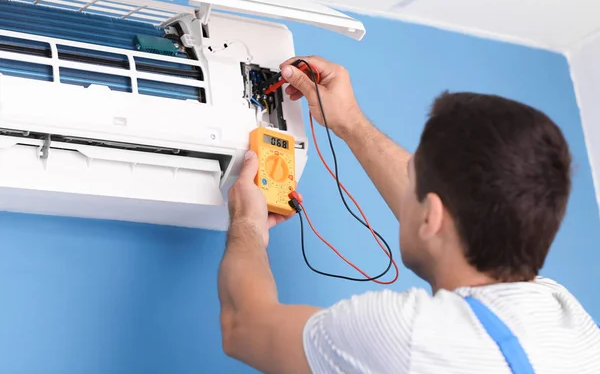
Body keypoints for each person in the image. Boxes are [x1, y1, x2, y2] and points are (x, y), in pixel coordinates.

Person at [217, 55, 600, 374]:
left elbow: (243, 325)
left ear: (432, 215)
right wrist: (350, 121)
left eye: (412, 180)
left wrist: (247, 224)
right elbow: (455, 209)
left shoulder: (410, 334)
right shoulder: (570, 324)